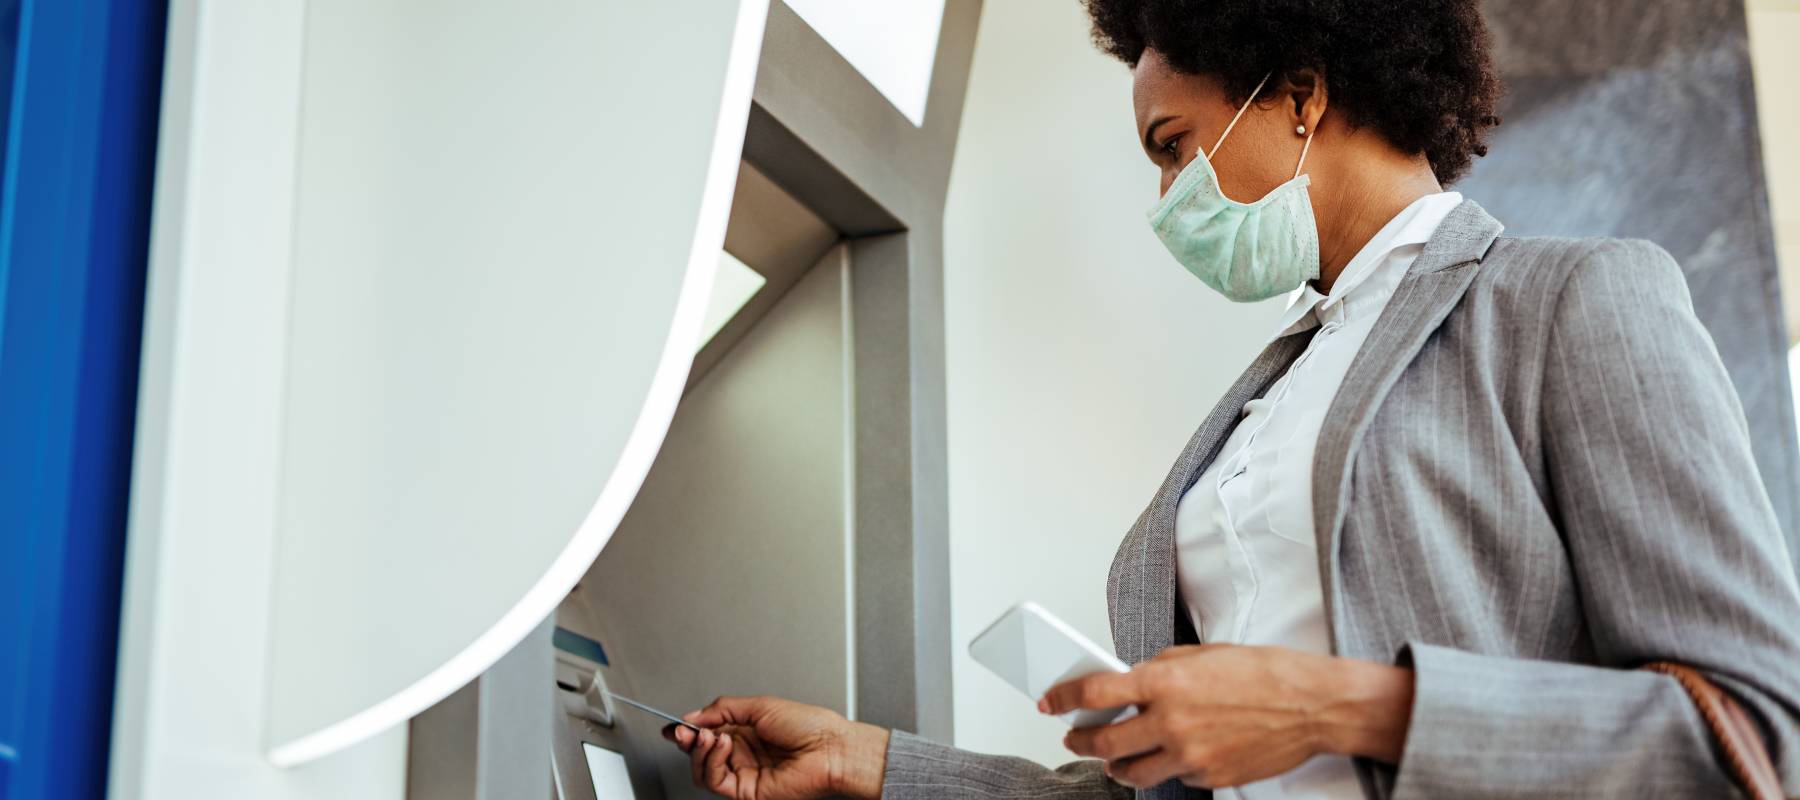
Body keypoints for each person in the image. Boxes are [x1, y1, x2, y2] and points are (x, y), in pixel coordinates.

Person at [663, 0, 1800, 797]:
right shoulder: (1277, 390)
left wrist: (1334, 706)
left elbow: (1753, 734)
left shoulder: (1574, 302)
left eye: (1174, 147)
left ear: (1300, 93)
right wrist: (870, 762)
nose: (1167, 196)